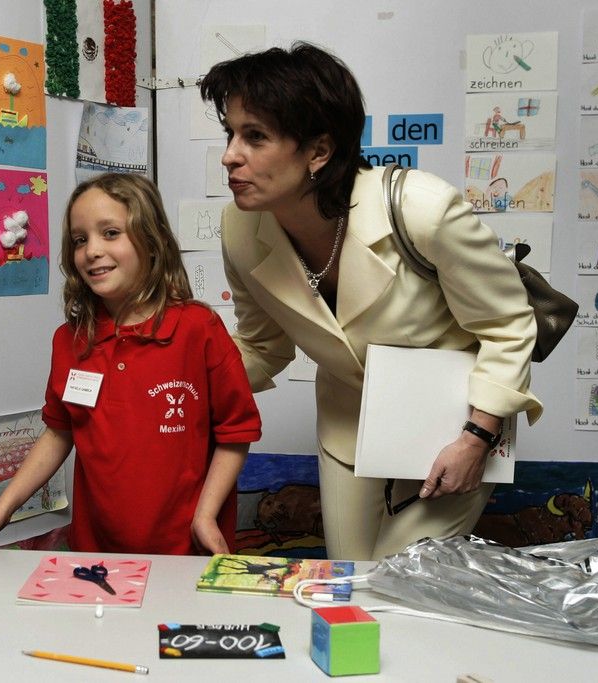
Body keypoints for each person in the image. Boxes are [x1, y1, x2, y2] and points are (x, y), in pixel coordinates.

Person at [200, 43, 542, 561]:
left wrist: (476, 438)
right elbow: (261, 345)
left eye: (255, 136)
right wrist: (173, 381)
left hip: (454, 423)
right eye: (230, 133)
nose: (230, 154)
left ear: (318, 151)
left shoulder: (422, 208)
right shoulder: (240, 228)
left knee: (402, 580)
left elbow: (509, 324)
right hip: (349, 421)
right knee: (351, 578)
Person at [0, 173, 261, 554]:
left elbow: (237, 433)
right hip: (96, 552)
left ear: (153, 241)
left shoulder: (199, 329)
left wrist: (205, 516)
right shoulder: (70, 340)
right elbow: (58, 432)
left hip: (184, 549)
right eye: (80, 239)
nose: (92, 250)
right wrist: (1, 508)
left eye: (111, 233)